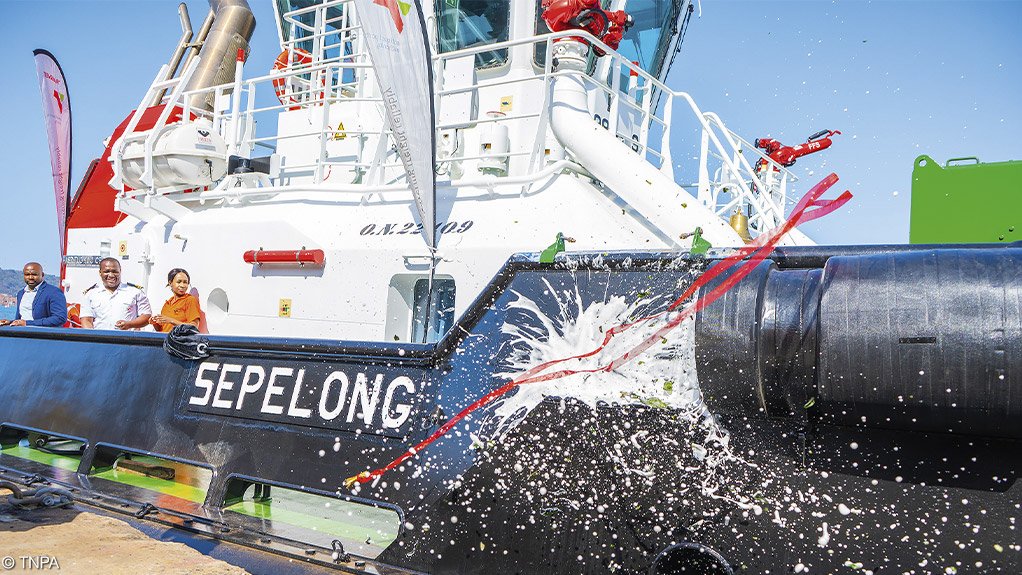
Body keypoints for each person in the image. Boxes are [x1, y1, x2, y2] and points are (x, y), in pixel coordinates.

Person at [80, 258, 152, 330]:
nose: (111, 275)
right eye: (106, 271)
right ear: (100, 272)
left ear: (120, 271)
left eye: (115, 272)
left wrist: (129, 324)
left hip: (128, 339)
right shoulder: (91, 294)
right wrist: (92, 338)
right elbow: (86, 320)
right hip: (100, 339)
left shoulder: (135, 292)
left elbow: (146, 316)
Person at [0, 262, 67, 327]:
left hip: (43, 336)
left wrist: (28, 323)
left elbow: (60, 318)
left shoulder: (54, 292)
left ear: (42, 275)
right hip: (22, 334)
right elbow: (21, 319)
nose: (30, 277)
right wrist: (10, 322)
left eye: (34, 274)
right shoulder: (21, 293)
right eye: (27, 274)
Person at [150, 268, 202, 333]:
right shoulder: (167, 304)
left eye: (185, 282)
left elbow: (193, 327)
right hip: (166, 341)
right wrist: (155, 323)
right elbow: (162, 330)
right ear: (170, 283)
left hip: (180, 342)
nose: (182, 285)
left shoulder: (190, 300)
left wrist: (171, 320)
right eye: (179, 282)